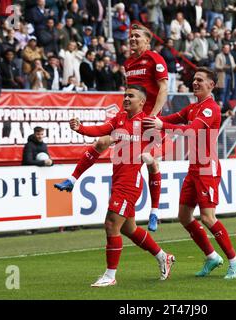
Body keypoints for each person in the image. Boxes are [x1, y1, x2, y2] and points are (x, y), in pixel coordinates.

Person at [54, 23, 168, 233]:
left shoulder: (155, 58)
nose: (132, 39)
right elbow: (131, 92)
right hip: (131, 116)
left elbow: (163, 88)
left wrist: (152, 117)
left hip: (149, 120)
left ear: (147, 41)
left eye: (137, 36)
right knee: (101, 141)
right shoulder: (129, 63)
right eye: (130, 36)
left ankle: (154, 210)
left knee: (149, 161)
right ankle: (72, 179)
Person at [66, 85, 175, 287]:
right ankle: (163, 256)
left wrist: (152, 155)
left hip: (130, 183)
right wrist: (80, 128)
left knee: (111, 224)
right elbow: (99, 131)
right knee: (129, 228)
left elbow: (167, 143)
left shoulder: (147, 122)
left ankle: (110, 275)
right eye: (125, 95)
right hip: (117, 179)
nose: (125, 98)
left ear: (141, 102)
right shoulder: (119, 119)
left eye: (130, 96)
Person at [143, 67, 236, 280]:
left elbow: (191, 130)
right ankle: (211, 256)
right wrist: (149, 120)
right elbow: (172, 118)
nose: (195, 83)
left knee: (208, 217)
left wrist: (163, 125)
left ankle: (234, 260)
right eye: (194, 79)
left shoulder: (211, 109)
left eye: (200, 80)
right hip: (194, 168)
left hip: (207, 168)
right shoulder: (193, 107)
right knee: (184, 216)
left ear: (211, 85)